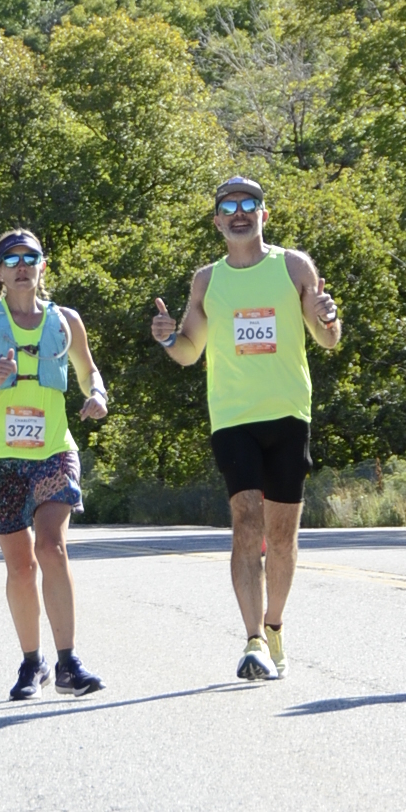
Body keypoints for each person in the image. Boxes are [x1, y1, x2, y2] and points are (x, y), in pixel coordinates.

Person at [151, 175, 342, 680]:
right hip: (233, 417)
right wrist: (168, 339)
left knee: (281, 535)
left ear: (263, 214)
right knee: (246, 522)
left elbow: (327, 339)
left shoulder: (293, 266)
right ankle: (254, 639)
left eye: (249, 204)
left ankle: (274, 625)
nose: (239, 213)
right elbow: (189, 352)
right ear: (217, 221)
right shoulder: (206, 281)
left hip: (288, 413)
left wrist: (328, 317)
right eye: (229, 206)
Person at [0, 230, 108, 700]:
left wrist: (97, 394)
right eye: (11, 259)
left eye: (30, 258)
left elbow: (88, 370)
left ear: (43, 266)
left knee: (52, 548)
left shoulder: (66, 320)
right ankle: (31, 662)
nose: (22, 266)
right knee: (21, 567)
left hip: (53, 450)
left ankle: (68, 663)